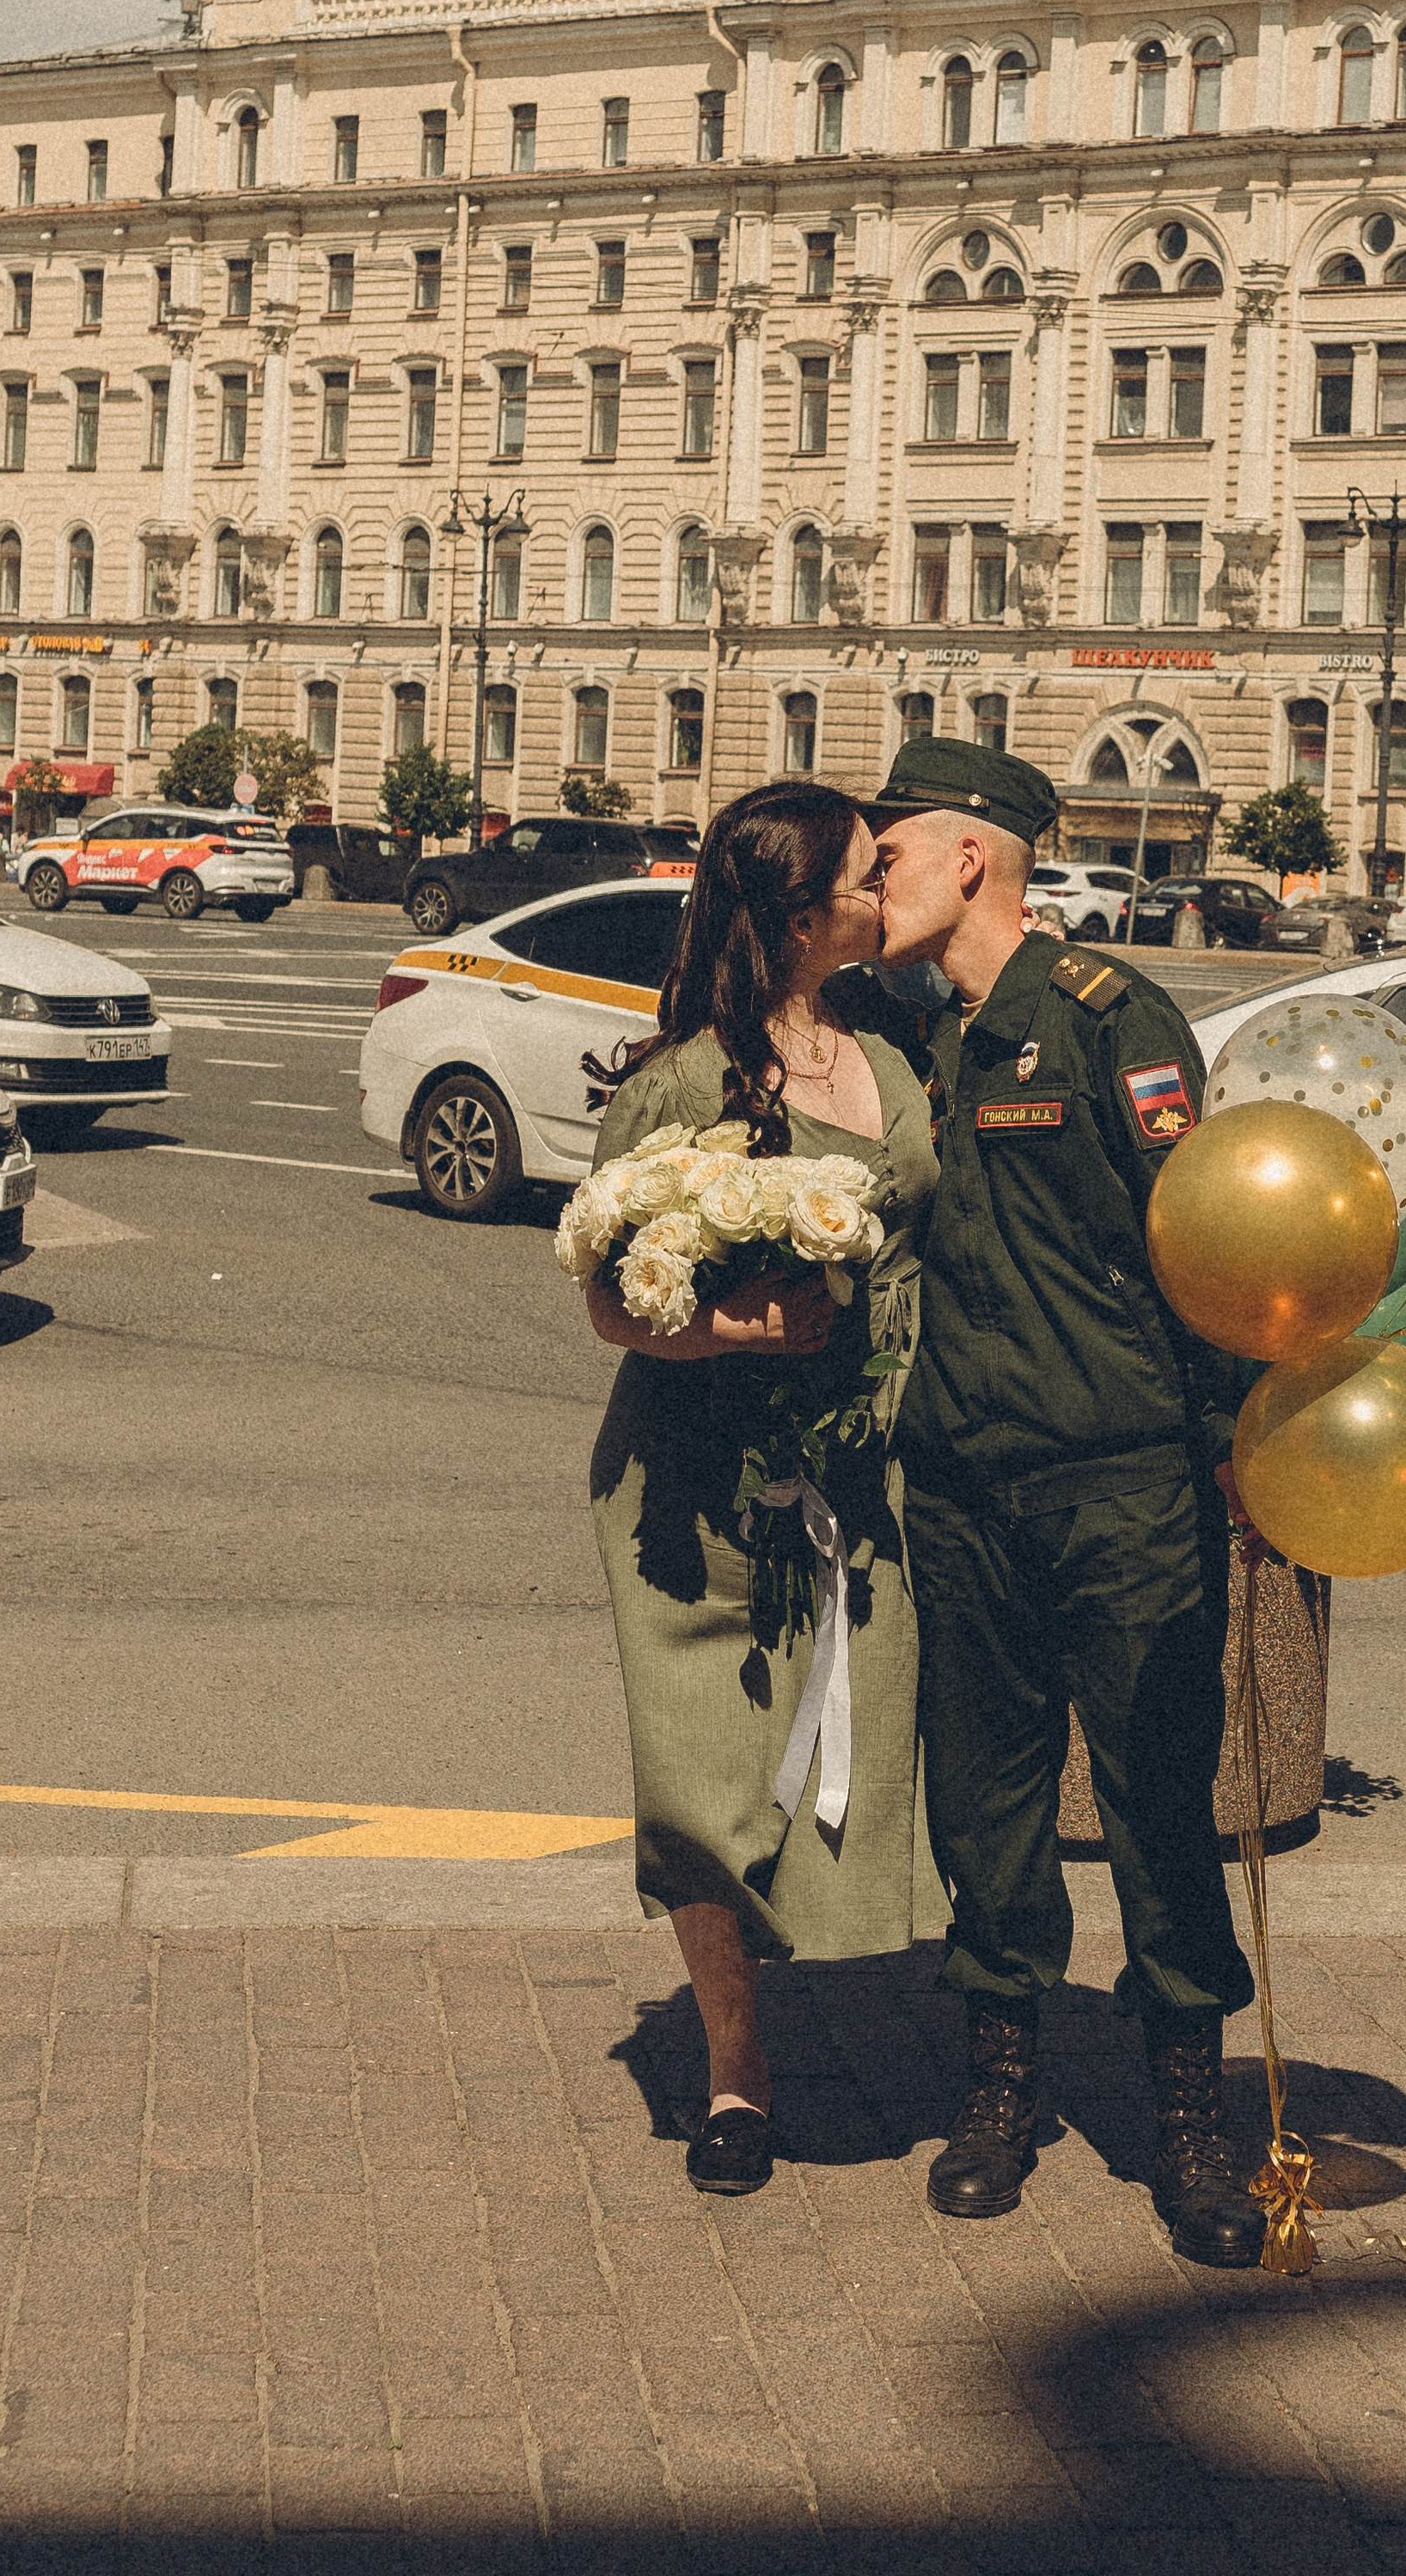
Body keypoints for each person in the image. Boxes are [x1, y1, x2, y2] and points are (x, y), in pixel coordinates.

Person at [867, 736, 1263, 2269]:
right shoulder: (914, 1032)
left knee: (1162, 1802)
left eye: (890, 852)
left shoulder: (1111, 1021)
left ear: (969, 859)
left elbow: (1212, 1248)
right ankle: (1002, 2093)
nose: (872, 879)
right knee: (986, 1802)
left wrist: (1235, 1450)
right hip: (962, 1483)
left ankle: (1188, 2121)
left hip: (1121, 1488)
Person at [584, 781, 939, 2198]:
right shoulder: (680, 1083)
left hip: (864, 1472)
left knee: (843, 1763)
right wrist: (732, 1329)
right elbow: (608, 1295)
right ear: (804, 917)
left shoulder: (896, 1046)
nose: (886, 894)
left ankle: (853, 1992)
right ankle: (737, 2074)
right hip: (695, 1489)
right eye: (868, 877)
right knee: (698, 1785)